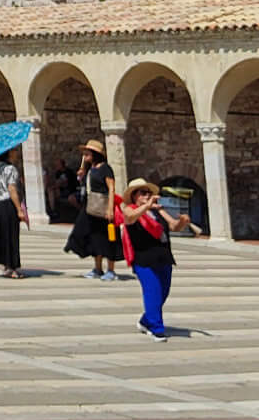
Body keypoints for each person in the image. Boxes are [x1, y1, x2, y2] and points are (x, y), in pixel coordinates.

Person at [122, 179, 198, 340]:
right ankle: (157, 329)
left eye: (149, 193)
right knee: (153, 292)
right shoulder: (131, 210)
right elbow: (129, 217)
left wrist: (182, 222)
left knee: (163, 292)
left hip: (163, 256)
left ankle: (146, 320)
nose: (147, 195)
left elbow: (173, 226)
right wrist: (146, 207)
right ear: (135, 196)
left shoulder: (159, 210)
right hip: (144, 258)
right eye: (143, 193)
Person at [64, 140, 123, 281]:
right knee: (93, 237)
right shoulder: (91, 169)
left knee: (108, 238)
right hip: (91, 207)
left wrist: (110, 209)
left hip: (103, 207)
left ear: (95, 154)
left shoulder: (105, 168)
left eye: (87, 153)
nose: (84, 156)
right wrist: (83, 173)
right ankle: (98, 269)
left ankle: (111, 270)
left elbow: (111, 188)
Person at [0, 151, 27, 279]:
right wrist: (19, 210)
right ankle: (12, 267)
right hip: (8, 204)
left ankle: (6, 266)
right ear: (9, 154)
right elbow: (12, 189)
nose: (16, 153)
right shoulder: (11, 169)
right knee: (11, 235)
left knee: (2, 235)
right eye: (14, 151)